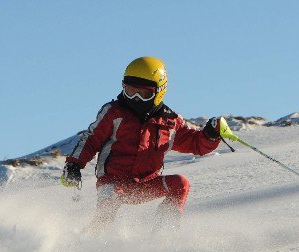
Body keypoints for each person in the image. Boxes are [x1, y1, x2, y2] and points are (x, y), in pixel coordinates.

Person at [60, 56, 225, 231]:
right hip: (113, 182)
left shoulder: (169, 122)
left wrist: (211, 135)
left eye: (143, 94)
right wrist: (73, 164)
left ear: (159, 92)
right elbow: (92, 139)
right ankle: (93, 240)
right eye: (130, 91)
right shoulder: (114, 112)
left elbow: (196, 144)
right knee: (109, 201)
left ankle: (163, 233)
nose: (136, 98)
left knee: (180, 183)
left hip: (145, 184)